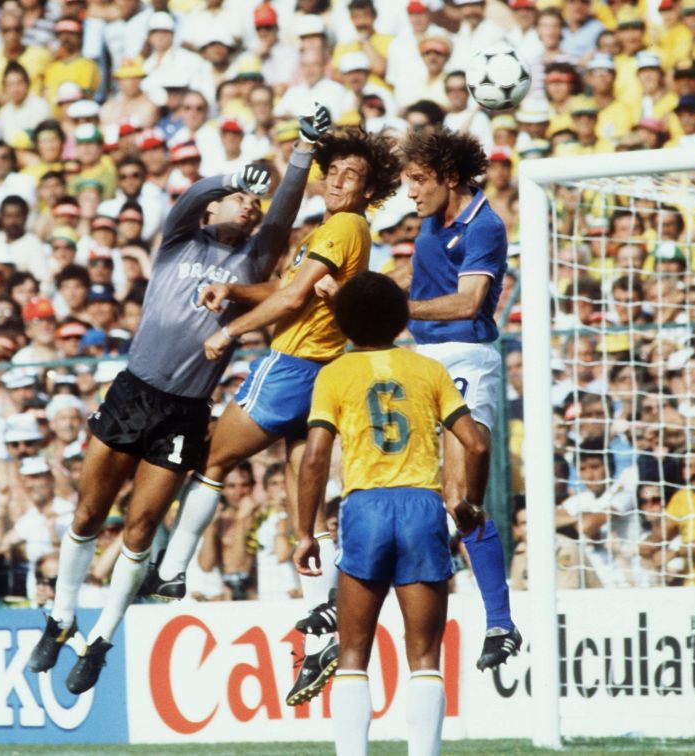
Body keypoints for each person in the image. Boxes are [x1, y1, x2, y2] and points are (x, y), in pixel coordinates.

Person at [26, 105, 330, 695]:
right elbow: (194, 190)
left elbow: (284, 210)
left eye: (253, 204)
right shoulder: (176, 240)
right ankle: (61, 618)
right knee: (89, 516)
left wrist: (299, 155)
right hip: (132, 392)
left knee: (140, 529)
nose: (249, 205)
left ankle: (102, 639)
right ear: (212, 206)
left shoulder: (252, 260)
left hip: (186, 408)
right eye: (238, 200)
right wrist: (233, 177)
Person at [143, 126, 402, 707]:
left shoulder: (342, 227)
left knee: (213, 459)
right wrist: (232, 293)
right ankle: (320, 619)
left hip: (291, 365)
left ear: (369, 189)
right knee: (300, 501)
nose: (338, 181)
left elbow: (289, 302)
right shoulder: (339, 230)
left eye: (352, 176)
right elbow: (289, 290)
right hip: (321, 366)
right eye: (333, 171)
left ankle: (175, 569)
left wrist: (228, 333)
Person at [293, 271, 488, 756]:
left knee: (354, 654)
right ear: (402, 319)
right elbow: (478, 443)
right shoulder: (427, 370)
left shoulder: (334, 373)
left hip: (366, 507)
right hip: (422, 506)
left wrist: (304, 532)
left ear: (344, 322)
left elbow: (314, 457)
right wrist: (471, 505)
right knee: (424, 657)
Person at [393, 126, 522, 670]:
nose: (411, 192)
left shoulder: (485, 226)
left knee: (458, 501)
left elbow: (470, 302)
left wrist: (395, 310)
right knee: (396, 488)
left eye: (419, 180)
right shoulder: (431, 217)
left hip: (467, 360)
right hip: (423, 361)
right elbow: (423, 276)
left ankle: (500, 622)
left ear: (450, 176)